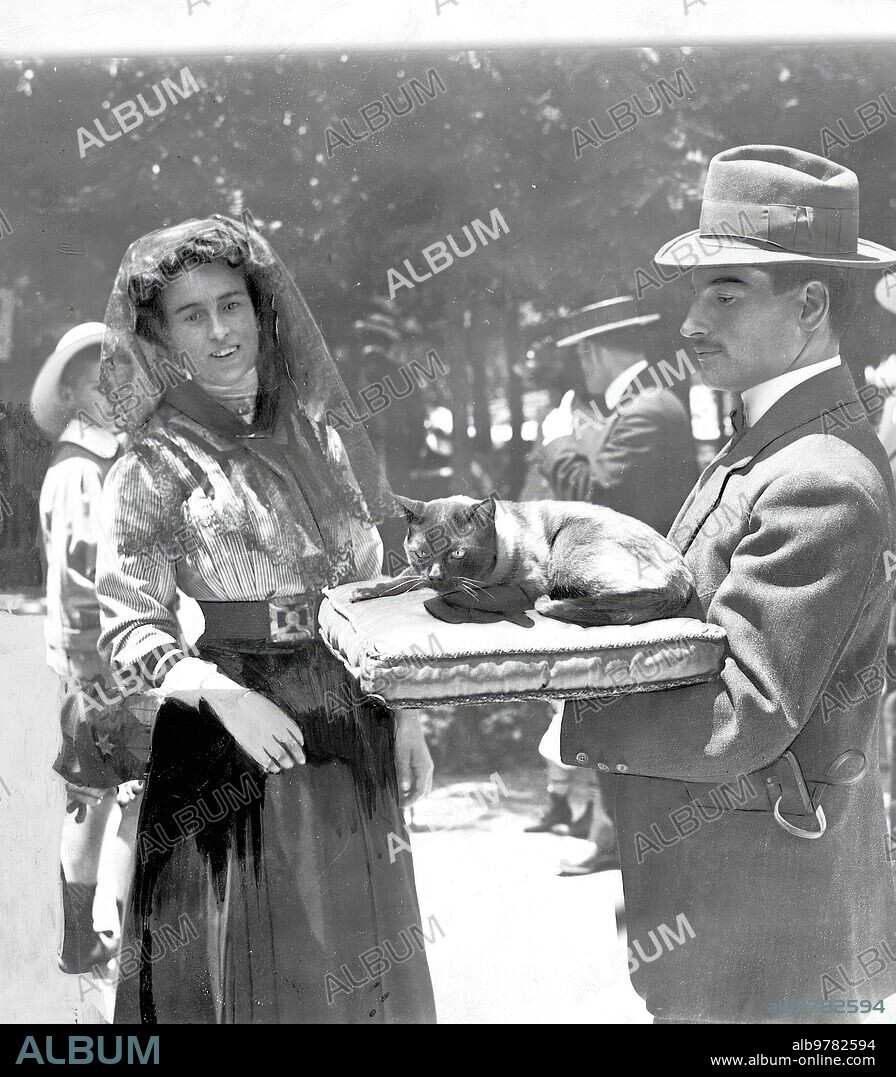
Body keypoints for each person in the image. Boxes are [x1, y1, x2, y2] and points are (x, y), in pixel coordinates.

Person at [560, 145, 896, 1023]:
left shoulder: (817, 474)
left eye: (727, 292)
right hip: (730, 907)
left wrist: (577, 700)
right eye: (697, 292)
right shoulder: (775, 446)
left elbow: (744, 713)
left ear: (813, 304)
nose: (690, 322)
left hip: (767, 931)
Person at [94, 215, 436, 1024]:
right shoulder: (152, 461)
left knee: (355, 959)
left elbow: (372, 584)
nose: (219, 331)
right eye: (191, 315)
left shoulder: (322, 435)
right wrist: (227, 698)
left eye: (231, 304)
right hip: (230, 734)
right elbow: (129, 628)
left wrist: (410, 718)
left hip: (345, 717)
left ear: (261, 308)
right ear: (161, 335)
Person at [527, 297, 698, 874]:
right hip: (628, 587)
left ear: (595, 352)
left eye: (582, 357)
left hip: (644, 593)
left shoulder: (649, 410)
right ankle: (611, 834)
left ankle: (627, 840)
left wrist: (556, 443)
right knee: (606, 704)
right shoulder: (632, 407)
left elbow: (593, 496)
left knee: (625, 709)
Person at [29, 322, 149, 974]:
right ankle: (101, 941)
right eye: (100, 380)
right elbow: (75, 581)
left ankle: (95, 939)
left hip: (110, 656)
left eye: (122, 375)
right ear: (75, 392)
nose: (115, 389)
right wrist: (95, 669)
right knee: (118, 797)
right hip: (103, 661)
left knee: (107, 797)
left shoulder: (109, 458)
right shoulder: (80, 471)